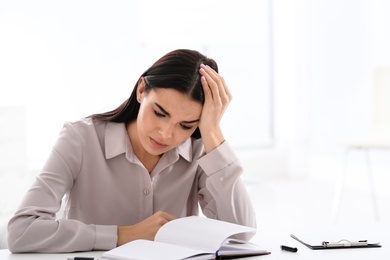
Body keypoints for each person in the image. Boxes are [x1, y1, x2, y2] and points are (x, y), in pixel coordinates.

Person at [7, 49, 256, 253]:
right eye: (159, 113)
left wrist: (212, 131)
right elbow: (22, 232)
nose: (166, 134)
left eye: (186, 125)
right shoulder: (80, 139)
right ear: (141, 91)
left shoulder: (201, 151)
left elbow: (242, 234)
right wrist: (124, 235)